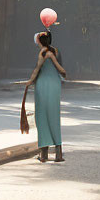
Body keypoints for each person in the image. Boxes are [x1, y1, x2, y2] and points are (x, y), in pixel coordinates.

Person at [25, 31, 67, 162]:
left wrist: (29, 82)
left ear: (40, 41)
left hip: (43, 86)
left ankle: (44, 155)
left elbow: (37, 69)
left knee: (42, 116)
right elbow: (62, 69)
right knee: (54, 116)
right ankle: (59, 154)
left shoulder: (42, 53)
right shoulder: (56, 51)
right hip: (55, 85)